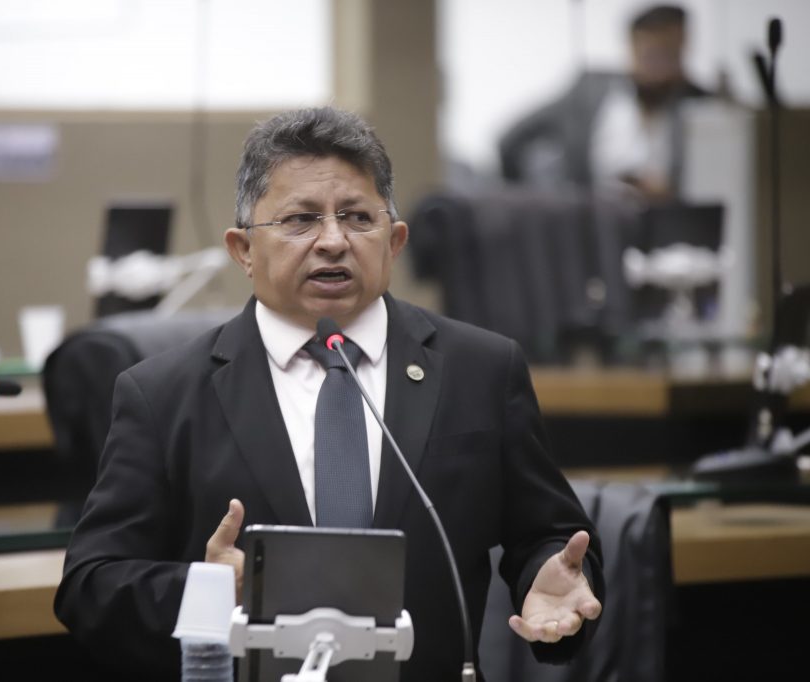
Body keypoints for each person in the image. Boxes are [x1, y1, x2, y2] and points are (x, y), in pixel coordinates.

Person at [54, 106, 605, 680]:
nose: (334, 241)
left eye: (358, 217)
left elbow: (550, 534)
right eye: (300, 220)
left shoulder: (481, 370)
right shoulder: (161, 394)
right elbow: (90, 585)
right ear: (243, 250)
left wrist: (554, 576)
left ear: (394, 242)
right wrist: (206, 592)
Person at [499, 4, 710, 201]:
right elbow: (511, 140)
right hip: (593, 227)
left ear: (684, 47)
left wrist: (670, 193)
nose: (659, 69)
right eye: (651, 55)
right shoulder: (589, 92)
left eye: (668, 55)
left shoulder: (705, 107)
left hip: (670, 229)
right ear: (633, 47)